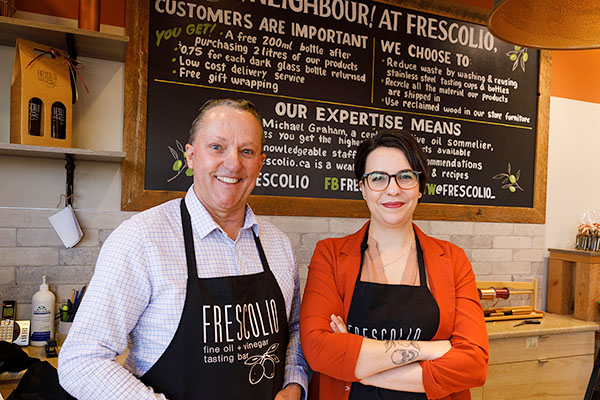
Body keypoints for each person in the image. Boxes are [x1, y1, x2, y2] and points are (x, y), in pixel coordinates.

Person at [58, 99, 309, 400]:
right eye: (217, 147)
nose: (233, 163)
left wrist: (294, 384)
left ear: (260, 163)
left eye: (247, 151)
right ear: (191, 156)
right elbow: (82, 360)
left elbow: (294, 331)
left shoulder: (278, 245)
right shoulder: (141, 239)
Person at [300, 130, 488, 399]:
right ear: (362, 188)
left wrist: (359, 367)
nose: (393, 189)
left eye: (405, 176)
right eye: (378, 178)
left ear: (420, 187)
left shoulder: (454, 260)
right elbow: (318, 350)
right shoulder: (329, 255)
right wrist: (428, 349)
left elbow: (473, 365)